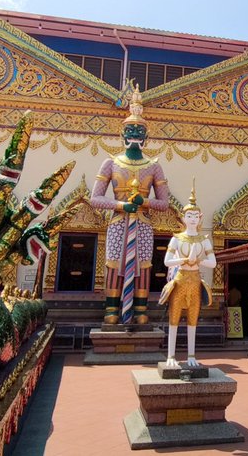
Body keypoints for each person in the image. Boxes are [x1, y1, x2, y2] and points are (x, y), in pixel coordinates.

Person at [88, 85, 171, 325]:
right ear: (122, 134)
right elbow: (96, 198)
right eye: (130, 128)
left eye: (139, 129)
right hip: (117, 221)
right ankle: (112, 310)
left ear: (146, 136)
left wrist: (143, 201)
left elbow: (164, 203)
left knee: (144, 265)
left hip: (143, 223)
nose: (135, 132)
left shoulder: (154, 165)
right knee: (114, 263)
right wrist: (122, 205)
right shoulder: (111, 163)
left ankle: (141, 309)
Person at [159, 180, 214, 366]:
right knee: (174, 318)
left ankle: (191, 355)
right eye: (189, 215)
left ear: (200, 218)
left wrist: (198, 261)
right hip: (180, 279)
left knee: (193, 319)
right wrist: (183, 261)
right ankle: (171, 356)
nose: (192, 219)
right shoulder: (177, 239)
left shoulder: (204, 240)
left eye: (195, 216)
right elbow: (166, 261)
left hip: (195, 280)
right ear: (183, 218)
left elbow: (213, 263)